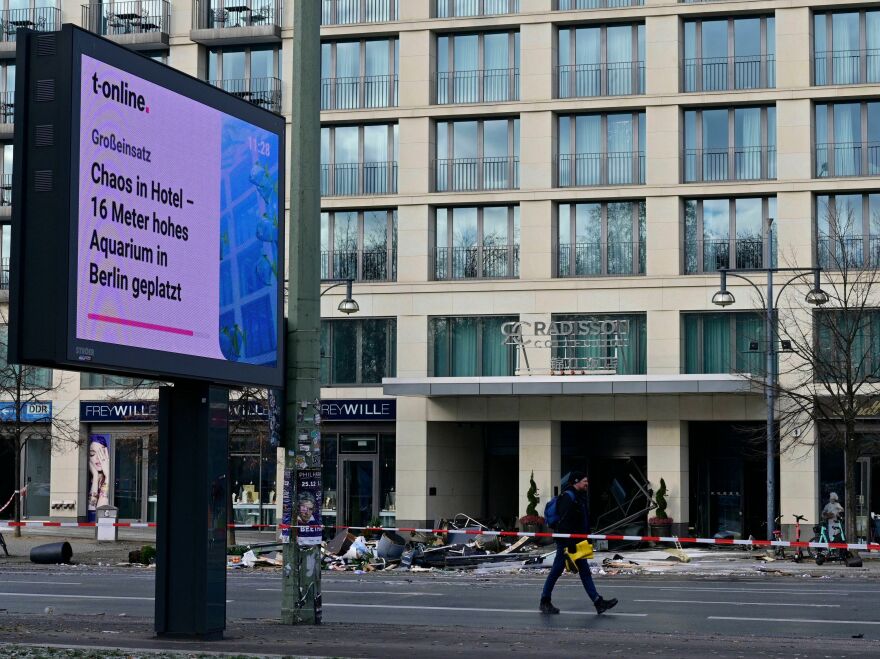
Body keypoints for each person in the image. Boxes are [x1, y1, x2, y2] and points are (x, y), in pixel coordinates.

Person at [540, 471, 618, 616]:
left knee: (584, 572)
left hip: (578, 541)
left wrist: (586, 539)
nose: (587, 483)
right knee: (557, 571)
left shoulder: (578, 497)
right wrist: (569, 544)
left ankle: (598, 602)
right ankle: (545, 601)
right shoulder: (568, 497)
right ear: (576, 482)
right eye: (584, 481)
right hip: (567, 543)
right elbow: (564, 523)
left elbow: (580, 521)